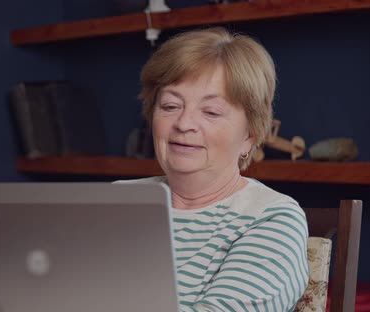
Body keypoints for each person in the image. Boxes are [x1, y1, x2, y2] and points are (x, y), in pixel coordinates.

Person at [115, 27, 309, 311]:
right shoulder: (117, 200)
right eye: (170, 105)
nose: (184, 124)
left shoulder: (271, 218)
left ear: (249, 136)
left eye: (211, 112)